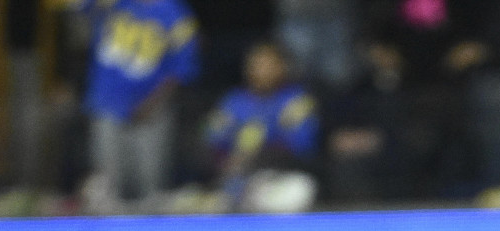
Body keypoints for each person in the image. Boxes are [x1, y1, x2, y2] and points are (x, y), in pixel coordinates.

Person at [81, 0, 199, 207]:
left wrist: (151, 104)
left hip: (151, 113)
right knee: (107, 190)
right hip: (107, 105)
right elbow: (77, 7)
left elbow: (182, 68)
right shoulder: (112, 4)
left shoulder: (176, 14)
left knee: (150, 189)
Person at [205, 41, 320, 210]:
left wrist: (255, 157)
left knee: (301, 188)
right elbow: (210, 139)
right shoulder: (233, 100)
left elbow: (302, 146)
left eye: (268, 65)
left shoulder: (295, 100)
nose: (261, 71)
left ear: (282, 67)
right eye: (256, 65)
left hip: (275, 178)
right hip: (232, 179)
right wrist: (226, 161)